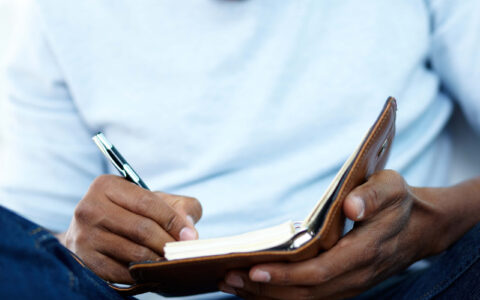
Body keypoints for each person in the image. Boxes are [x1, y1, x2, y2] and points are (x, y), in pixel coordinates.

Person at [1, 0, 479, 299]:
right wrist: (76, 250)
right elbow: (26, 251)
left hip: (411, 285)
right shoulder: (51, 12)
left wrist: (432, 224)